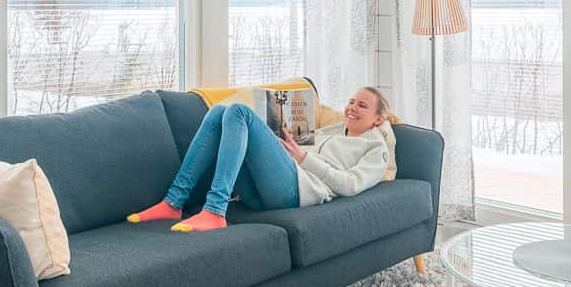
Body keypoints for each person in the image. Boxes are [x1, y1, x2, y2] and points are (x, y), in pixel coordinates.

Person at [128, 87, 394, 231]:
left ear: (379, 119)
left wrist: (303, 158)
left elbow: (349, 185)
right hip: (268, 187)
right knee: (220, 111)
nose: (352, 108)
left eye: (362, 105)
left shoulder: (376, 150)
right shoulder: (333, 129)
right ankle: (174, 201)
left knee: (241, 112)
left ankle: (214, 210)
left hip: (297, 191)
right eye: (351, 101)